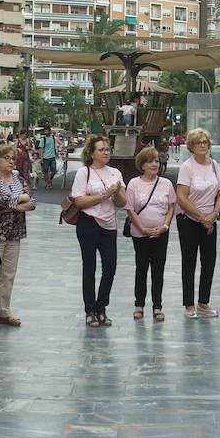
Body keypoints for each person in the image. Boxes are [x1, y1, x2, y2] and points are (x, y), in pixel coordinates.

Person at [70, 135, 125, 327]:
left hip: (109, 224)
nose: (106, 152)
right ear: (91, 153)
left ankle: (102, 307)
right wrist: (103, 195)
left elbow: (123, 203)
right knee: (89, 267)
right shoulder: (84, 173)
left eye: (107, 149)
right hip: (88, 222)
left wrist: (116, 193)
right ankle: (90, 310)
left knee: (110, 266)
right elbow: (78, 201)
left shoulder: (115, 173)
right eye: (101, 149)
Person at [0, 143, 32, 330]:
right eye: (7, 158)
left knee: (9, 274)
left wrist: (9, 205)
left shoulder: (20, 179)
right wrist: (19, 202)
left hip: (15, 232)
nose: (11, 162)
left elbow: (31, 202)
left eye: (13, 158)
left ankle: (4, 310)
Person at [176, 129, 220, 319]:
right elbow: (181, 197)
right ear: (191, 146)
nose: (203, 145)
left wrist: (213, 214)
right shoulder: (187, 167)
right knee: (189, 262)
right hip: (189, 220)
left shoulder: (213, 164)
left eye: (205, 142)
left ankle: (203, 301)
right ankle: (188, 303)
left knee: (209, 261)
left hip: (210, 221)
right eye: (198, 143)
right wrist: (201, 217)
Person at [125, 145, 175, 321]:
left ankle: (157, 306)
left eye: (156, 161)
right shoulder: (134, 183)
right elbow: (130, 209)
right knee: (141, 268)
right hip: (140, 233)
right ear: (142, 164)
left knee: (158, 270)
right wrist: (142, 229)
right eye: (149, 161)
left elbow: (171, 208)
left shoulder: (166, 183)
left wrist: (165, 226)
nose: (154, 164)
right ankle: (139, 304)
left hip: (161, 233)